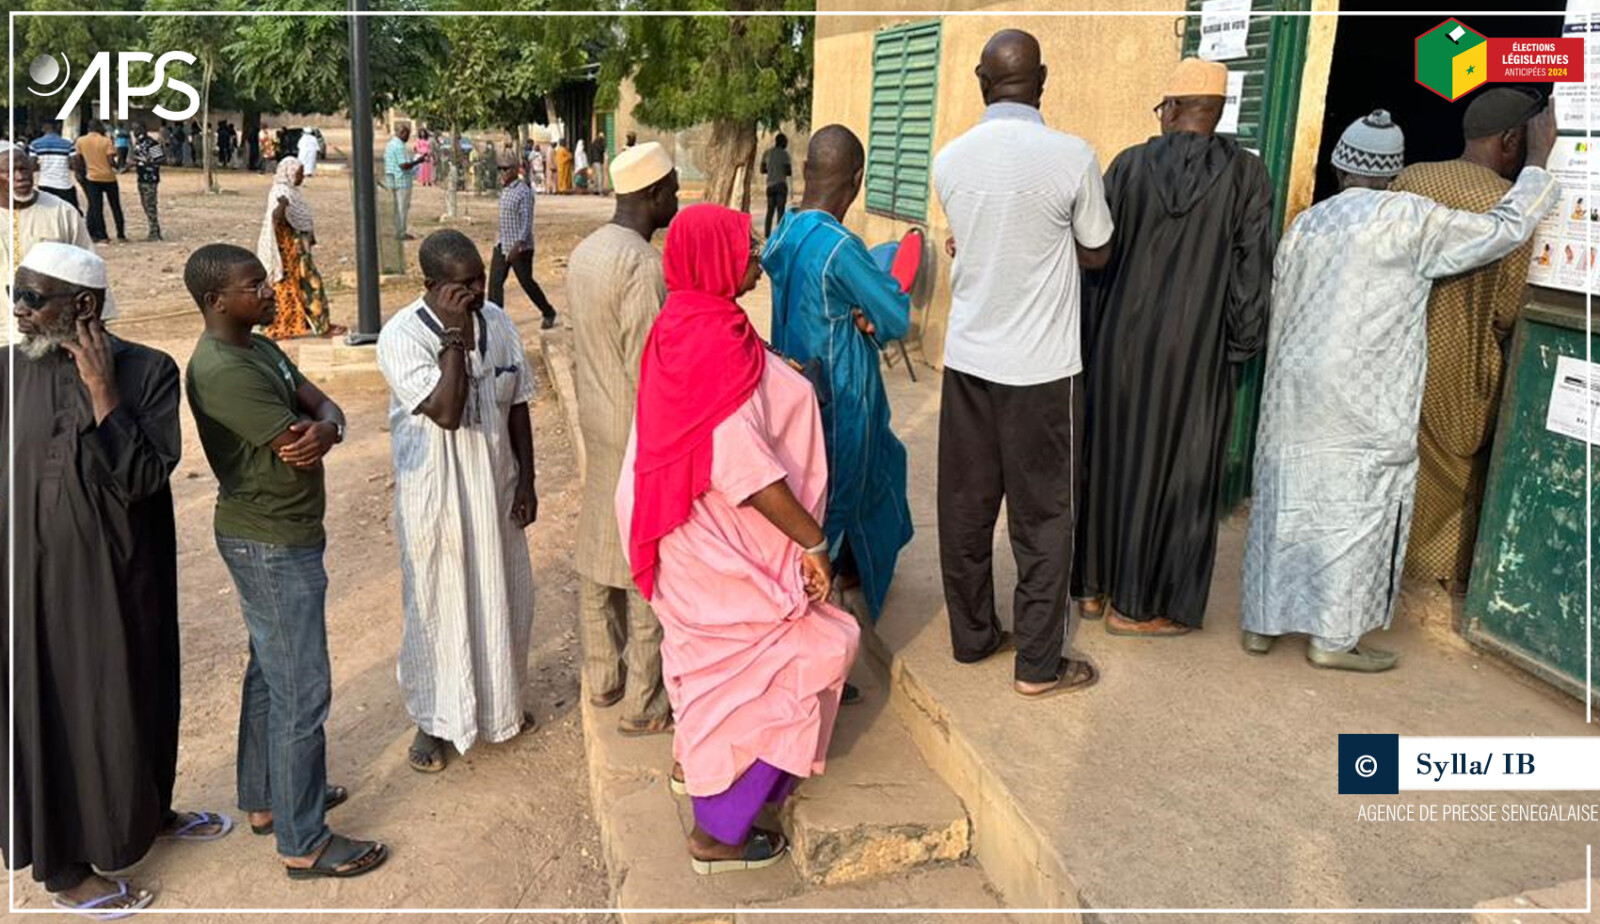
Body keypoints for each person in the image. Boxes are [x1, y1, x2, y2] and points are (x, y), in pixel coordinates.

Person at [1241, 107, 1559, 671]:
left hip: (1293, 391)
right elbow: (1502, 230)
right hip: (1366, 397)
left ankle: (1262, 624)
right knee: (1358, 511)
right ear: (1394, 172)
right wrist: (1535, 163)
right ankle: (1332, 641)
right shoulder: (1410, 218)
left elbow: (1279, 304)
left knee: (1285, 500)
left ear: (1340, 166)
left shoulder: (1308, 223)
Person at [617, 203, 859, 875]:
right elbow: (739, 467)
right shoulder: (709, 343)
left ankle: (691, 767)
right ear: (712, 259)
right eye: (745, 248)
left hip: (691, 538)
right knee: (807, 654)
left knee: (709, 673)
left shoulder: (690, 324)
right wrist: (812, 543)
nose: (756, 258)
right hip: (717, 554)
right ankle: (718, 833)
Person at [3, 243, 234, 916]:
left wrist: (103, 393)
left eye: (33, 299)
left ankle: (144, 813)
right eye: (16, 295)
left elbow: (140, 477)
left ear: (86, 307)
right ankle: (66, 868)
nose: (18, 310)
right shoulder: (4, 371)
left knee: (137, 694)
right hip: (31, 588)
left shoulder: (148, 372)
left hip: (124, 576)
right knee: (53, 713)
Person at [184, 243, 387, 878]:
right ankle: (304, 842)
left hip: (284, 532)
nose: (271, 290)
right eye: (256, 285)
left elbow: (322, 409)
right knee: (301, 686)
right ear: (219, 302)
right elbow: (296, 440)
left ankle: (269, 799)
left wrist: (330, 424)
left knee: (271, 674)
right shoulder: (222, 368)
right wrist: (321, 427)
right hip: (269, 540)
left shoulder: (259, 345)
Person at [931, 29, 1109, 698]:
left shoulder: (950, 160)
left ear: (981, 81)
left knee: (965, 509)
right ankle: (1038, 663)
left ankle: (973, 638)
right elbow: (1097, 249)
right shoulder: (1073, 157)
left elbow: (972, 239)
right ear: (1043, 80)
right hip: (1044, 372)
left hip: (969, 364)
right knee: (1045, 517)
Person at [1073, 58, 1274, 637]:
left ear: (1173, 108)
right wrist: (1242, 345)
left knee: (1109, 457)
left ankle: (1091, 589)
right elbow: (1251, 271)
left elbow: (1093, 255)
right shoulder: (1246, 177)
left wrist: (1090, 336)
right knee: (1178, 475)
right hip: (1195, 351)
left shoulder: (1129, 166)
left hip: (1117, 345)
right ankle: (1137, 608)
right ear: (1215, 112)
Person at [377, 230, 540, 774]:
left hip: (494, 485)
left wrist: (527, 481)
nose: (476, 291)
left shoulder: (498, 322)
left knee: (503, 596)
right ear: (432, 286)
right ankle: (433, 719)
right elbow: (447, 411)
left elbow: (516, 402)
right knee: (439, 602)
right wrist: (452, 337)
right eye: (462, 285)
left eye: (477, 280)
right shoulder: (402, 337)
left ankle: (500, 707)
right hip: (438, 496)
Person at [1391, 88, 1545, 596]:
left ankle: (1387, 554)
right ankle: (1442, 574)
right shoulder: (1509, 205)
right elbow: (1507, 309)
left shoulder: (1411, 178)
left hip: (1394, 351)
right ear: (1510, 139)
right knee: (1455, 471)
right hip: (1461, 362)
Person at [763, 124, 913, 625]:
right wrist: (870, 314)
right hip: (842, 399)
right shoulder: (840, 247)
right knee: (837, 508)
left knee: (830, 493)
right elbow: (894, 317)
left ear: (804, 171)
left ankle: (851, 576)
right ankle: (816, 635)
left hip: (793, 388)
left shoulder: (784, 230)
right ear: (857, 180)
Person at [565, 142, 679, 737]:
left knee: (598, 553)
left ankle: (601, 676)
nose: (678, 201)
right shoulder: (641, 263)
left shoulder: (587, 252)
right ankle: (644, 700)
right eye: (675, 191)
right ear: (655, 195)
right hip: (637, 426)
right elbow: (649, 360)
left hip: (599, 422)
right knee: (642, 564)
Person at [258, 157, 339, 340]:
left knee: (305, 285)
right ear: (289, 173)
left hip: (298, 249)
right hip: (286, 251)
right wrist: (282, 205)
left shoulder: (292, 191)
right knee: (305, 285)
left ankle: (311, 323)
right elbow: (275, 217)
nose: (302, 177)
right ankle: (293, 325)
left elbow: (302, 220)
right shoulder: (280, 192)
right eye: (299, 173)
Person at [0, 145, 96, 295]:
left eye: (24, 169)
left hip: (48, 315)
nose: (20, 177)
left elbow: (88, 267)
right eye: (10, 172)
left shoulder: (62, 212)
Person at [489, 152, 560, 330]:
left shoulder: (524, 192)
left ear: (515, 170)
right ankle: (496, 324)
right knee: (495, 284)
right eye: (499, 169)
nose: (501, 173)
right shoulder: (504, 189)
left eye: (505, 169)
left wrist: (518, 245)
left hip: (520, 248)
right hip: (501, 244)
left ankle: (548, 311)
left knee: (527, 283)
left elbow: (527, 222)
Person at [75, 121, 125, 244]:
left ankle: (102, 235)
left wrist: (80, 174)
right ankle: (120, 233)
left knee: (96, 207)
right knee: (115, 206)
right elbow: (110, 160)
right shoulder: (106, 141)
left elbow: (78, 159)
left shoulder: (81, 141)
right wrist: (118, 165)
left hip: (92, 177)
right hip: (109, 177)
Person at [126, 121, 166, 242]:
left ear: (143, 129)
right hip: (141, 177)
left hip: (150, 178)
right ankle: (154, 230)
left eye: (137, 129)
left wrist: (147, 161)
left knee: (151, 205)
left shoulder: (152, 143)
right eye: (133, 129)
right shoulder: (138, 144)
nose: (135, 132)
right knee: (145, 205)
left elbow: (161, 159)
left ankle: (154, 233)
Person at [384, 124, 425, 240]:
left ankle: (396, 230)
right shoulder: (399, 146)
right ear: (402, 134)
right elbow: (404, 165)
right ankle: (401, 232)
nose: (408, 138)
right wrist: (418, 161)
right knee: (402, 207)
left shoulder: (390, 144)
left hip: (392, 179)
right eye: (407, 135)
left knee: (396, 208)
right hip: (402, 180)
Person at [28, 120, 79, 211]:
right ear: (57, 128)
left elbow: (32, 166)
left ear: (43, 128)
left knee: (47, 213)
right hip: (64, 185)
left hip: (45, 184)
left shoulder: (35, 144)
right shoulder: (68, 144)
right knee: (70, 211)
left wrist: (43, 166)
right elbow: (74, 164)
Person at [760, 132, 792, 239]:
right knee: (780, 211)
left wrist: (771, 169)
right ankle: (779, 235)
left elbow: (762, 169)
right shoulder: (784, 154)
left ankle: (767, 235)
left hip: (770, 185)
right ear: (782, 142)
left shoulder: (767, 153)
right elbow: (788, 171)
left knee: (770, 211)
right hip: (781, 185)